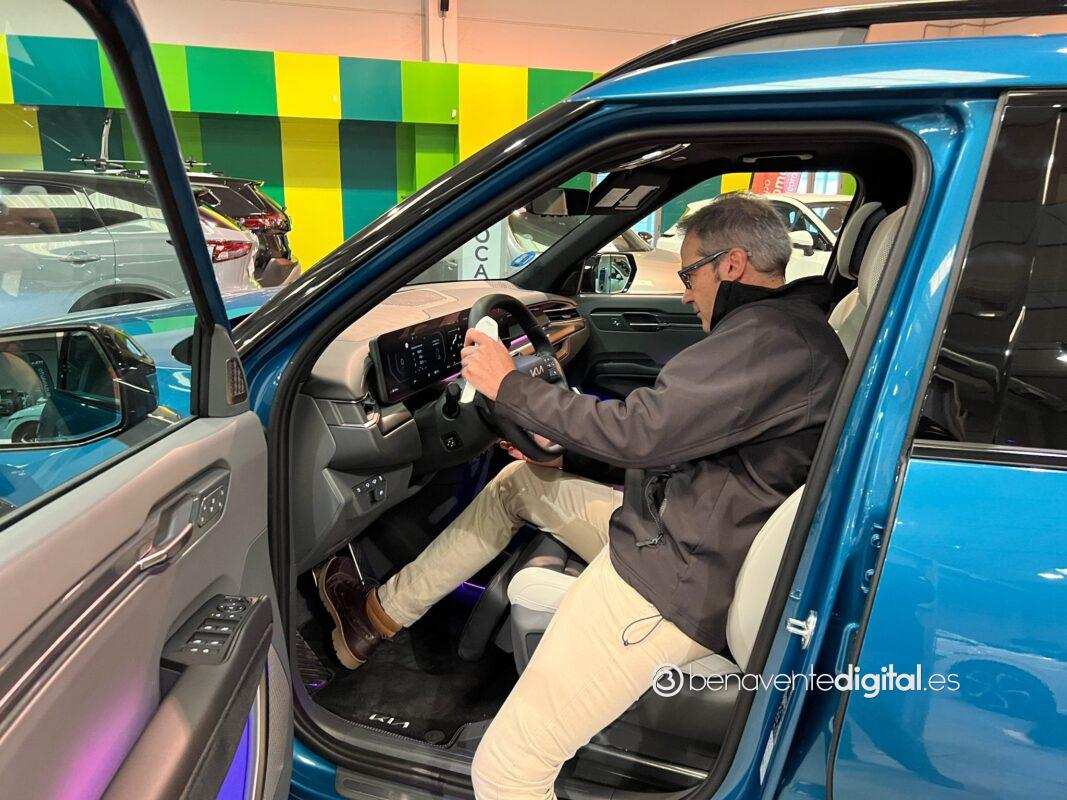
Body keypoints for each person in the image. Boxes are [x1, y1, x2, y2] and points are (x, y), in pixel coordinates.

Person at [315, 191, 848, 799]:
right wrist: (567, 454)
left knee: (507, 772)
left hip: (674, 579)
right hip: (684, 529)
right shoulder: (787, 332)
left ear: (731, 264)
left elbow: (642, 431)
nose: (683, 294)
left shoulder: (768, 342)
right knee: (520, 485)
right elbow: (681, 440)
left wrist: (509, 385)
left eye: (688, 274)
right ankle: (373, 620)